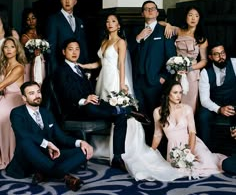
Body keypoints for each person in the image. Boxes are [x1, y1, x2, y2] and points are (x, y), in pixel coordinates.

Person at [80, 14, 185, 181]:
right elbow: (101, 63)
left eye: (113, 21)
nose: (110, 24)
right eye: (107, 21)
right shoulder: (103, 42)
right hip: (103, 79)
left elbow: (121, 64)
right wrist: (84, 65)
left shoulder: (121, 42)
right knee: (107, 112)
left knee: (120, 111)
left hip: (115, 79)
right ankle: (108, 149)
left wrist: (122, 85)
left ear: (119, 26)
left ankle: (122, 151)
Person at [53, 38, 148, 172]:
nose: (74, 52)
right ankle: (125, 110)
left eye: (77, 49)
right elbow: (65, 93)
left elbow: (89, 92)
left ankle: (117, 158)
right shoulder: (61, 70)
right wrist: (84, 100)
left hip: (90, 107)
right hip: (75, 109)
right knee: (93, 107)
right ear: (63, 52)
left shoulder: (79, 69)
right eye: (70, 49)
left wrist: (93, 98)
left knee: (119, 116)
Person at [6, 81, 93, 192]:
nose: (37, 95)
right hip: (28, 159)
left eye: (38, 92)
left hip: (49, 156)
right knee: (25, 141)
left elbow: (61, 137)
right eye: (31, 93)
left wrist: (81, 142)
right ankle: (66, 177)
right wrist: (47, 143)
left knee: (83, 151)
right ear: (24, 98)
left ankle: (44, 172)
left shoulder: (46, 113)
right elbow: (23, 134)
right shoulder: (17, 113)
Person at [151, 80, 227, 177]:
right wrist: (150, 152)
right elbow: (158, 134)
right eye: (175, 92)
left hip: (192, 143)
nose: (179, 96)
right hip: (175, 149)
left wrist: (189, 152)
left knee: (208, 162)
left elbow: (192, 132)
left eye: (180, 92)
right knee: (183, 168)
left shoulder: (187, 108)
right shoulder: (158, 112)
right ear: (167, 94)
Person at [129, 0, 176, 146]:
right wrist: (138, 38)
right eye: (146, 9)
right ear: (142, 13)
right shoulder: (135, 31)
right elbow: (127, 53)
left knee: (157, 115)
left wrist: (163, 77)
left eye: (152, 9)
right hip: (137, 81)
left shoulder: (164, 31)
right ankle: (144, 147)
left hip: (155, 81)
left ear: (157, 12)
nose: (149, 11)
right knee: (141, 115)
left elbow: (172, 58)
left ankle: (159, 149)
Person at [163, 6, 208, 113]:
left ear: (199, 19)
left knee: (190, 103)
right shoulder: (179, 31)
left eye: (196, 16)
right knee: (175, 101)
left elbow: (204, 60)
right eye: (190, 15)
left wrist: (190, 68)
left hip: (192, 74)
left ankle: (190, 128)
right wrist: (167, 25)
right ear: (186, 17)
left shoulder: (201, 38)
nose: (193, 18)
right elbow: (158, 23)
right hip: (177, 72)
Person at [198, 43, 236, 147]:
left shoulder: (234, 63)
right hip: (215, 104)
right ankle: (206, 150)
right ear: (210, 57)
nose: (221, 57)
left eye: (222, 53)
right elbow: (204, 100)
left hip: (234, 102)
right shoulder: (205, 72)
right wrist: (219, 109)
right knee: (202, 116)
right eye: (216, 54)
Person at [46, 0, 89, 74]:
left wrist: (86, 66)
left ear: (75, 2)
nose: (67, 1)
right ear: (61, 1)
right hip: (61, 66)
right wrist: (54, 69)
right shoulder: (54, 19)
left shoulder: (79, 21)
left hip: (78, 66)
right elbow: (51, 46)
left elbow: (83, 45)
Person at [0, 36, 27, 169]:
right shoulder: (3, 65)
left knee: (1, 115)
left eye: (12, 46)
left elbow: (1, 85)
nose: (9, 49)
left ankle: (7, 157)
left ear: (17, 49)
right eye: (6, 47)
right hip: (4, 99)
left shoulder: (19, 67)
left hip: (15, 101)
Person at [20, 8, 46, 85]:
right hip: (30, 65)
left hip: (42, 63)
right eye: (28, 19)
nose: (31, 21)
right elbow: (24, 55)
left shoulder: (41, 34)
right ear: (25, 21)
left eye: (33, 18)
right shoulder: (24, 37)